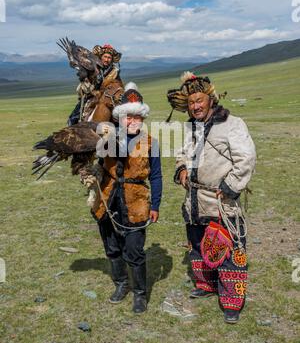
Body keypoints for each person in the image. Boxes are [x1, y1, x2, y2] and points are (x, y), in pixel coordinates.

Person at [167, 71, 256, 324]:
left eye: (199, 101)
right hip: (194, 198)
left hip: (220, 199)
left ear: (210, 99)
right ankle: (206, 285)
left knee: (228, 249)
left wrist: (230, 185)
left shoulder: (232, 124)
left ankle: (232, 302)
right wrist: (182, 169)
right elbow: (182, 153)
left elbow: (246, 158)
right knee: (197, 244)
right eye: (191, 102)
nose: (195, 106)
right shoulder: (190, 126)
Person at [90, 82, 162, 314]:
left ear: (142, 119)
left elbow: (157, 177)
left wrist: (156, 205)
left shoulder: (151, 143)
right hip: (109, 197)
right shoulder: (106, 139)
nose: (132, 121)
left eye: (136, 117)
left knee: (134, 249)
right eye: (127, 117)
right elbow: (98, 166)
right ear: (119, 118)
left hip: (136, 200)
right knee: (111, 246)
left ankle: (140, 294)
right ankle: (121, 284)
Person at [67, 44, 122, 126]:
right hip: (91, 96)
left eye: (109, 58)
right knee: (74, 117)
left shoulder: (114, 72)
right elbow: (86, 84)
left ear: (112, 59)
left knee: (119, 118)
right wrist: (84, 79)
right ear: (101, 57)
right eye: (105, 57)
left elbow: (118, 86)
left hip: (108, 97)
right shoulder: (92, 67)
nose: (107, 60)